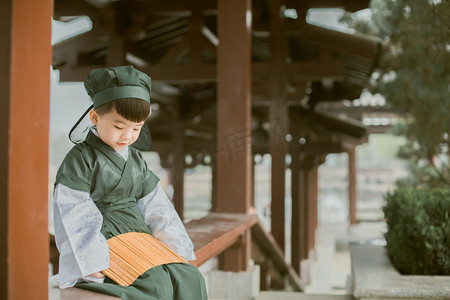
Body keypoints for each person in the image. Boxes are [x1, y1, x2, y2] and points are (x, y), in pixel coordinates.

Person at [53, 65, 207, 300]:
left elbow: (156, 206)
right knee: (155, 285)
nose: (128, 136)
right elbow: (74, 212)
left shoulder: (135, 159)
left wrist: (175, 246)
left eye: (137, 128)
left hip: (138, 234)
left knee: (188, 275)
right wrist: (91, 260)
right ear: (95, 117)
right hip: (104, 238)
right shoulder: (80, 159)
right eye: (118, 126)